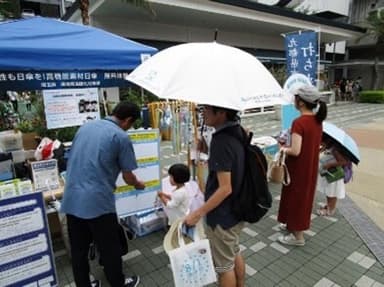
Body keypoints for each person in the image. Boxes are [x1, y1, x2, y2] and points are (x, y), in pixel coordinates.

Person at [60, 101, 145, 287]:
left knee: (79, 249)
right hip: (98, 202)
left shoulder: (86, 127)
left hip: (72, 197)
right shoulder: (120, 136)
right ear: (128, 120)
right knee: (109, 247)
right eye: (131, 125)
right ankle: (118, 282)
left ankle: (84, 284)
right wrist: (139, 184)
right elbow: (129, 176)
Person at [184, 105, 245, 287]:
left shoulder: (221, 140)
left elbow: (225, 188)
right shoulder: (238, 131)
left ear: (221, 113)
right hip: (236, 209)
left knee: (223, 267)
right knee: (234, 252)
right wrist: (207, 148)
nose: (203, 113)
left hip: (222, 215)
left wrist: (197, 213)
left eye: (207, 110)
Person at [277, 85, 327, 246]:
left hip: (298, 168)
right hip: (309, 167)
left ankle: (298, 237)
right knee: (301, 199)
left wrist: (282, 148)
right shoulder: (317, 121)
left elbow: (296, 150)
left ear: (301, 102)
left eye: (296, 97)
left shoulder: (299, 122)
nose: (294, 100)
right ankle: (292, 227)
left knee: (296, 198)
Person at [317, 137, 348, 216]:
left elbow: (343, 161)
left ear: (327, 141)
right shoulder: (329, 147)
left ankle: (330, 210)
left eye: (321, 142)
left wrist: (329, 164)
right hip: (329, 174)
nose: (320, 144)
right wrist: (322, 149)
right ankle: (329, 205)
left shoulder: (335, 150)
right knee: (329, 192)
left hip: (334, 176)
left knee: (332, 193)